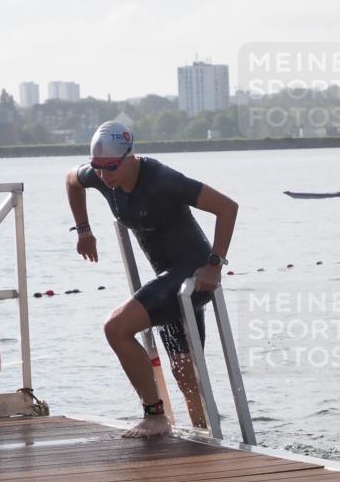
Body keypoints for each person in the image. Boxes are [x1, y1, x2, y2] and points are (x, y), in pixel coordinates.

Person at [65, 121, 238, 438]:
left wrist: (215, 264)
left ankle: (154, 416)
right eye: (97, 168)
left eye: (111, 167)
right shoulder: (103, 177)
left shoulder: (163, 180)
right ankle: (207, 439)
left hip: (193, 280)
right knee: (184, 372)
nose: (104, 176)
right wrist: (84, 230)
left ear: (130, 156)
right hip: (166, 280)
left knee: (115, 328)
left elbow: (227, 208)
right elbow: (71, 180)